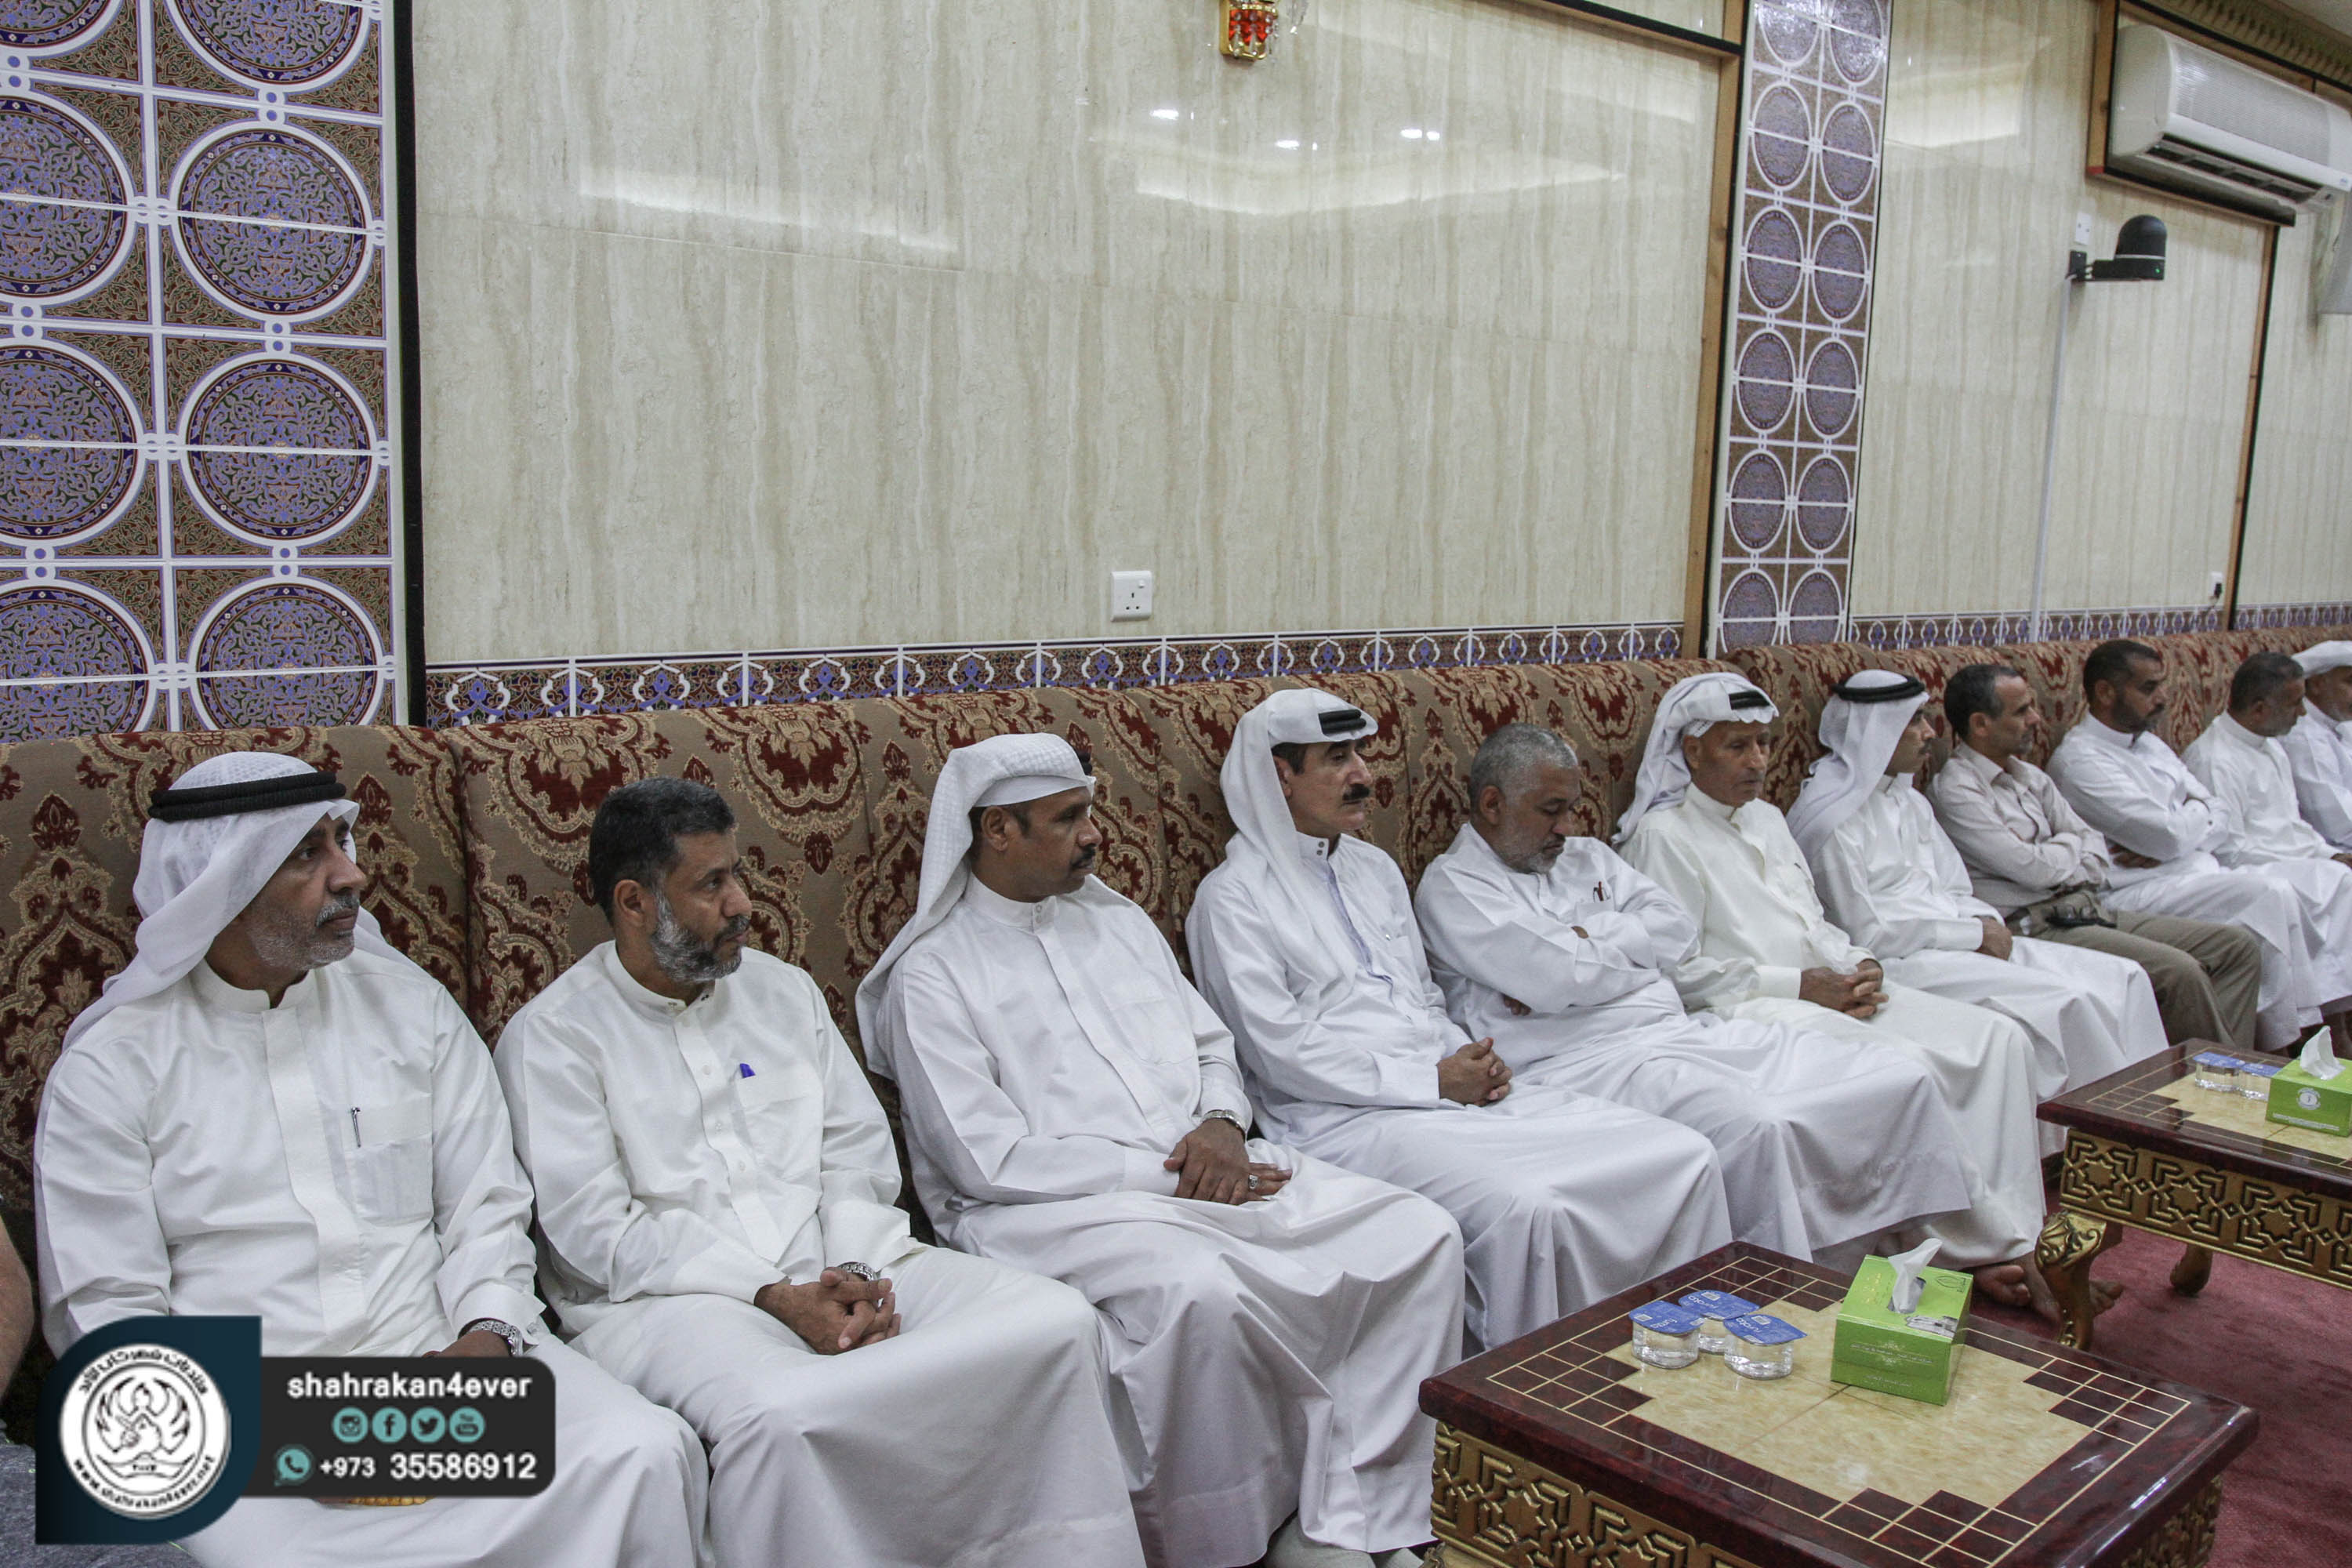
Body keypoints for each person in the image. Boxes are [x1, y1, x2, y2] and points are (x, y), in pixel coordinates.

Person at [34, 753, 712, 1568]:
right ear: (221, 886)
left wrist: (488, 1336)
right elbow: (105, 1309)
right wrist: (292, 1431)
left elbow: (488, 1203)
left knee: (643, 1453)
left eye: (341, 841)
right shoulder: (112, 1066)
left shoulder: (408, 1007)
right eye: (306, 854)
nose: (351, 874)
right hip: (237, 1416)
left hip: (442, 1371)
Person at [496, 778, 1144, 1568]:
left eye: (738, 874)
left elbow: (856, 1151)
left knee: (1055, 1321)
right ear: (634, 902)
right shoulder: (554, 1038)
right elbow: (600, 1235)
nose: (742, 904)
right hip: (673, 1302)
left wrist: (854, 1269)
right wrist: (774, 1294)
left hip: (844, 1256)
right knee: (785, 1412)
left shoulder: (781, 990)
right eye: (711, 884)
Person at [857, 735, 1463, 1568]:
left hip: (1212, 1168)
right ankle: (1240, 1537)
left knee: (1419, 1232)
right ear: (997, 830)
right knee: (1201, 1292)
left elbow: (1213, 1045)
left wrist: (1220, 1123)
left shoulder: (1117, 921)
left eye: (1088, 812)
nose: (1093, 835)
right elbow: (983, 1160)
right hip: (1052, 1210)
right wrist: (1173, 1176)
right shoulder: (934, 973)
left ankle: (1364, 1508)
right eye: (1067, 819)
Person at [1187, 691, 1733, 1349]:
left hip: (1447, 1087)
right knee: (1530, 1205)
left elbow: (1423, 997)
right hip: (1341, 1117)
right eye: (1337, 759)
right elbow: (1278, 1054)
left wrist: (1468, 1057)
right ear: (1280, 777)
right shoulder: (1232, 899)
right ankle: (1540, 1386)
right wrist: (1431, 1081)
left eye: (1360, 753)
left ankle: (1689, 1353)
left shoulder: (1374, 869)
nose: (1363, 773)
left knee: (1679, 1155)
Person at [1411, 721, 1976, 1272]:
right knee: (1758, 1123)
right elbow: (1558, 978)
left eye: (1572, 808)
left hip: (1677, 1030)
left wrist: (1586, 943)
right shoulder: (1456, 885)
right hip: (1586, 1060)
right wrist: (1620, 957)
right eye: (1550, 810)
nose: (1567, 826)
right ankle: (1791, 1282)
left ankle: (1905, 1253)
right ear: (1492, 805)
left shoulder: (1588, 856)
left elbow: (1676, 927)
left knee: (1890, 1077)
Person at [1615, 674, 2049, 1309]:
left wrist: (1860, 964)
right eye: (1737, 746)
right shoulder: (1662, 836)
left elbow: (1814, 922)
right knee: (1907, 1067)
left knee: (1998, 1038)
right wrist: (1803, 986)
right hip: (1748, 1010)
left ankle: (2019, 1228)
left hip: (1827, 986)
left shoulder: (1767, 818)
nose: (1758, 761)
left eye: (1764, 744)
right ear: (1693, 752)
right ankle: (1987, 1251)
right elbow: (1681, 974)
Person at [1795, 670, 2167, 1123]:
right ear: (1876, 731)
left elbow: (1956, 888)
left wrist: (1983, 923)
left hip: (1963, 940)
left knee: (2125, 977)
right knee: (2067, 1001)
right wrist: (1972, 935)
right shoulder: (1832, 820)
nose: (1930, 734)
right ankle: (2104, 1139)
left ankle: (2156, 1125)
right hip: (1909, 961)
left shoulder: (1909, 801)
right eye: (1914, 721)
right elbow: (1866, 933)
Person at [1928, 662, 2264, 1051]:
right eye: (2021, 711)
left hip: (2088, 907)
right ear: (1981, 724)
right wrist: (2069, 848)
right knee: (2180, 972)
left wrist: (2061, 852)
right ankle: (2215, 1078)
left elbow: (2095, 850)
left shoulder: (2030, 776)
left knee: (2237, 947)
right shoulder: (1956, 790)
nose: (2036, 719)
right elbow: (2034, 870)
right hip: (2035, 924)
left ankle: (2223, 1067)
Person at [2047, 640, 2350, 1048]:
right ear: (2105, 692)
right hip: (2135, 891)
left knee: (2293, 890)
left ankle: (2304, 1035)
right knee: (2269, 893)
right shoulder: (2081, 761)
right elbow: (2169, 836)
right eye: (2149, 688)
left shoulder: (2149, 744)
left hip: (2194, 874)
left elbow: (2210, 816)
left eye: (2162, 685)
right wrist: (2192, 820)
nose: (2162, 698)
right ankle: (2283, 1044)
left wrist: (2186, 824)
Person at [2183, 653, 2352, 1052]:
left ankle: (2336, 1021)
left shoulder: (2271, 747)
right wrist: (2316, 861)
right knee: (2333, 883)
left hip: (2295, 859)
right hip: (2248, 869)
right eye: (2294, 703)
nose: (2302, 713)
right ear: (2259, 709)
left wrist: (2325, 853)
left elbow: (2293, 825)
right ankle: (2317, 1034)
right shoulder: (2214, 757)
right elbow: (2230, 849)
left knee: (2342, 877)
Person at [2282, 641, 2352, 851]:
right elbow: (2341, 826)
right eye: (2351, 682)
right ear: (2317, 684)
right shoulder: (2303, 737)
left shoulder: (2339, 719)